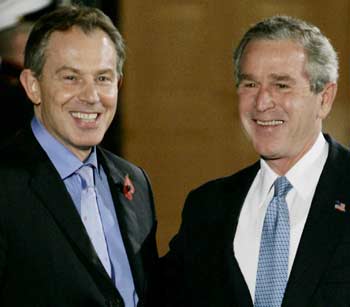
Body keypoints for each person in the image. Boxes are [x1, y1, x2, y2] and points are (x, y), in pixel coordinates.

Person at [161, 16, 350, 306]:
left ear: (324, 98)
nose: (261, 103)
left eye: (282, 85)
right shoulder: (207, 209)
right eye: (250, 84)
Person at [0, 5, 159, 307]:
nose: (91, 96)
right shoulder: (6, 185)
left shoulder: (134, 184)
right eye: (71, 78)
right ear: (33, 86)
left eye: (102, 78)